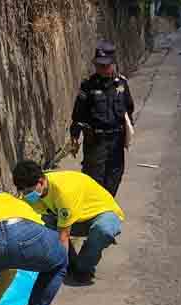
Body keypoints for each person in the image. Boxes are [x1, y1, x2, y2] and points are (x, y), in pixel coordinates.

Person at [12, 160, 124, 285]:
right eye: (24, 192)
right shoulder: (35, 192)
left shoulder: (63, 191)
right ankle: (70, 263)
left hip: (102, 215)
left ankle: (83, 268)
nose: (27, 195)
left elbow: (63, 236)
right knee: (42, 222)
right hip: (75, 218)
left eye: (29, 191)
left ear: (41, 181)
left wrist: (58, 273)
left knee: (103, 230)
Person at [68, 40, 135, 197]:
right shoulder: (88, 86)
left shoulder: (122, 84)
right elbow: (78, 114)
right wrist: (74, 136)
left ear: (113, 64)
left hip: (116, 143)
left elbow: (129, 108)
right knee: (93, 183)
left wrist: (128, 132)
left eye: (105, 66)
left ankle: (106, 212)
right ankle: (94, 215)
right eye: (99, 65)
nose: (102, 69)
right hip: (96, 144)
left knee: (114, 179)